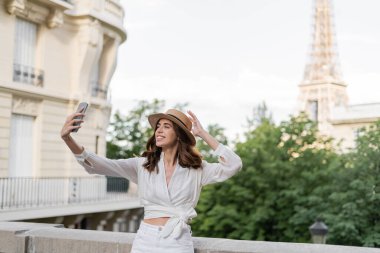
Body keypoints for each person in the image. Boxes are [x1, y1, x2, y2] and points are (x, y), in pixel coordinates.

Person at [61, 108, 242, 253]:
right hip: (145, 240)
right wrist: (68, 138)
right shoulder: (143, 165)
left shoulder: (197, 169)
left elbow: (233, 165)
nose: (159, 130)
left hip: (178, 242)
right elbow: (98, 165)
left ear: (179, 134)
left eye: (166, 126)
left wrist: (202, 133)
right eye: (158, 126)